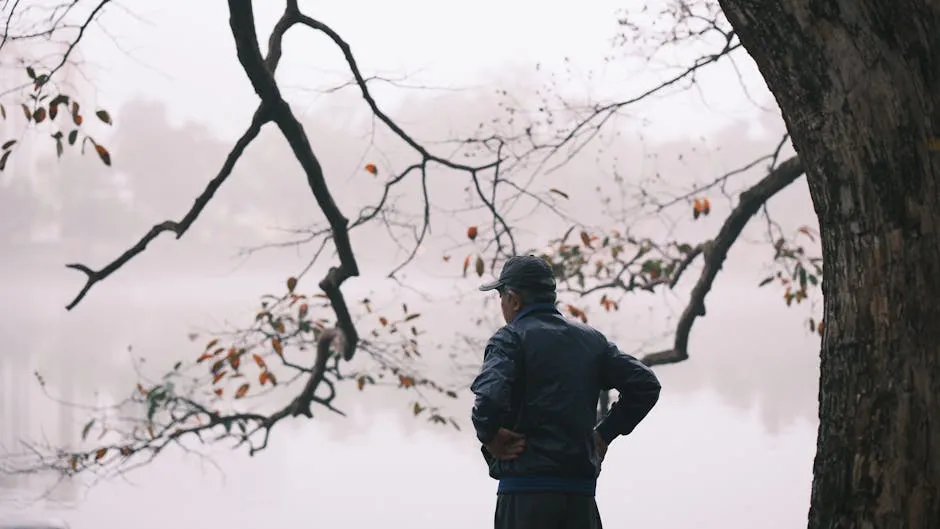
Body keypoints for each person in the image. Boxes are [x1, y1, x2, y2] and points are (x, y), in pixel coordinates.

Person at [471, 255, 662, 529]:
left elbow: (487, 400)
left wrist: (490, 436)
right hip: (580, 498)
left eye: (500, 296)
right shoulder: (591, 340)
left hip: (525, 497)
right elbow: (645, 385)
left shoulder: (510, 339)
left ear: (513, 299)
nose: (501, 305)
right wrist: (604, 433)